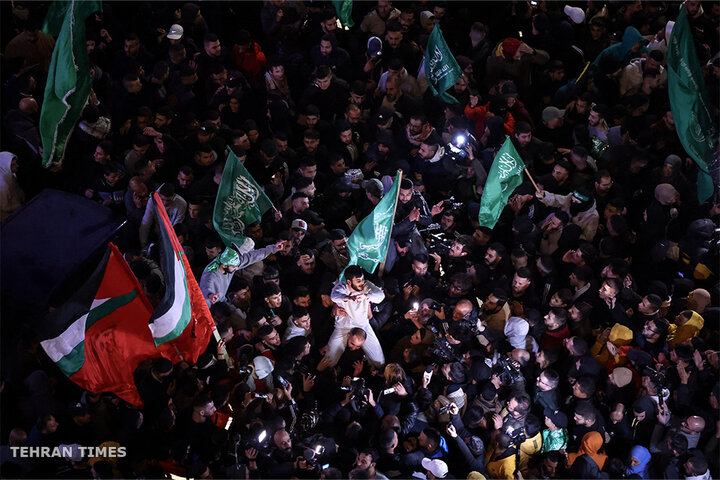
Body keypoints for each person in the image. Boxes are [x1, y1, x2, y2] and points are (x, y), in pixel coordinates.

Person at [326, 265, 386, 367]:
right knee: (329, 360)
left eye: (362, 279)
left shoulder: (366, 286)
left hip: (363, 326)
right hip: (343, 328)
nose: (362, 283)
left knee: (379, 361)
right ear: (349, 282)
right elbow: (334, 296)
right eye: (358, 281)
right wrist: (348, 298)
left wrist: (366, 296)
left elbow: (381, 296)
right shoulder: (341, 287)